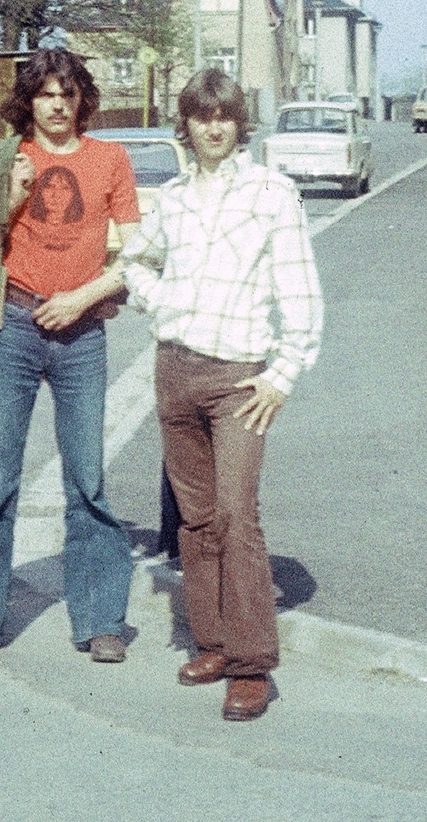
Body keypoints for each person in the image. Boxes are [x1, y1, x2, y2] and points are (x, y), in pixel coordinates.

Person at [121, 68, 323, 721]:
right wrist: (160, 301)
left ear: (240, 124)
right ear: (186, 125)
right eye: (201, 116)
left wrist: (282, 374)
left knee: (237, 516)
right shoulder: (173, 198)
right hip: (173, 372)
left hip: (238, 378)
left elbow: (300, 293)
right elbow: (132, 261)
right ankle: (211, 641)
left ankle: (250, 664)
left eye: (225, 116)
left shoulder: (270, 193)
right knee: (195, 518)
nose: (213, 127)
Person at [0, 47, 140, 665]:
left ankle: (100, 619)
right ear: (27, 102)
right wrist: (9, 198)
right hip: (15, 325)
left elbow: (138, 254)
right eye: (44, 94)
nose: (57, 104)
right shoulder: (5, 158)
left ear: (82, 98)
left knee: (87, 479)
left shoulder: (110, 158)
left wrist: (86, 296)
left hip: (81, 331)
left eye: (67, 92)